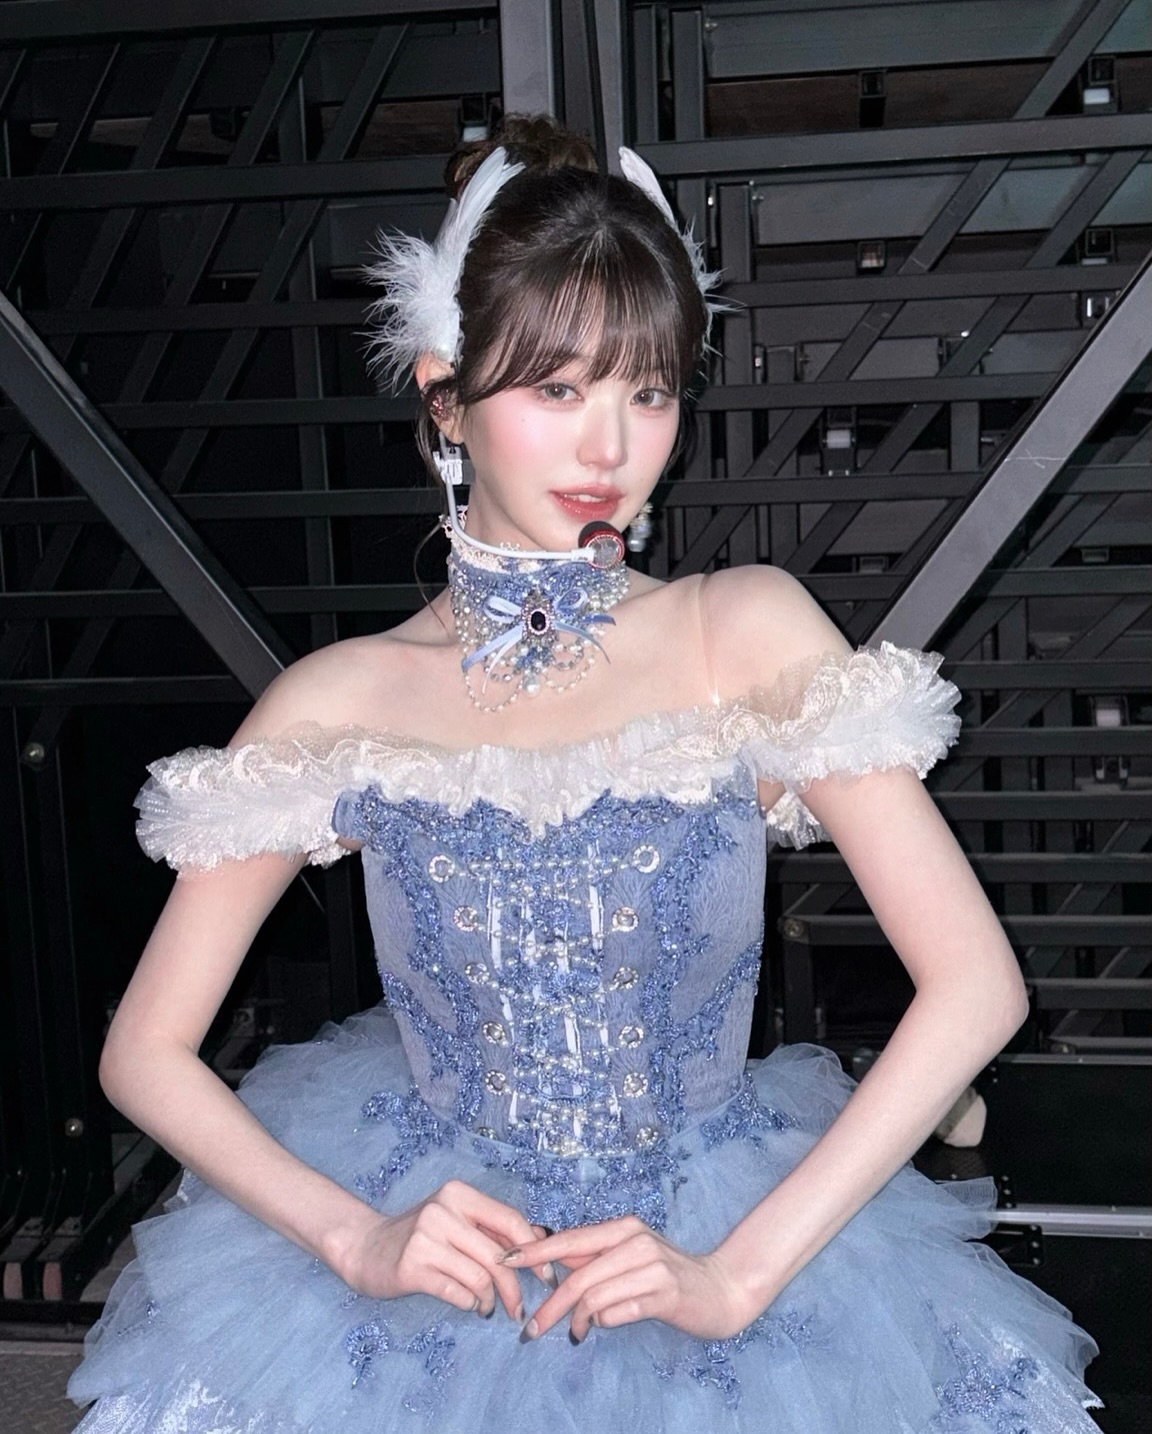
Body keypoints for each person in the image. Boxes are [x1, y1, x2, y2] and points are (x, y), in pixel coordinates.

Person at [69, 114, 1100, 1434]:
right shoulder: (342, 699)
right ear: (445, 395)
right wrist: (357, 1239)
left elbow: (976, 983)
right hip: (440, 1251)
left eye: (649, 391)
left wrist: (736, 1275)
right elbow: (146, 1052)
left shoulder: (742, 630)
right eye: (558, 390)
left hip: (720, 1233)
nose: (610, 448)